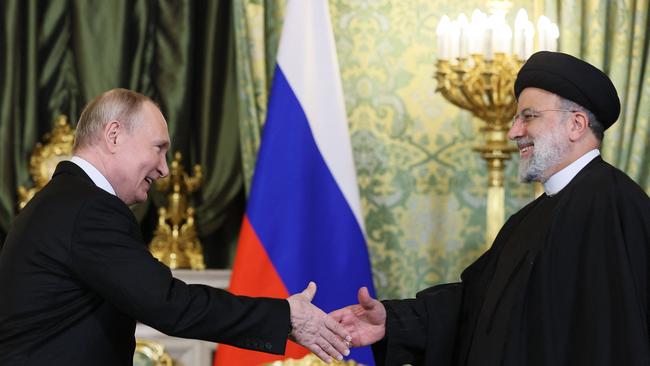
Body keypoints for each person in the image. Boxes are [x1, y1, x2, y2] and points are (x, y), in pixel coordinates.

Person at [330, 51, 650, 366]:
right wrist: (392, 322)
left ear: (576, 125)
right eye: (516, 118)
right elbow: (475, 306)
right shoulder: (531, 217)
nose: (513, 131)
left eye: (529, 116)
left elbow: (616, 340)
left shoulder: (617, 208)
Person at [0, 88, 351, 365]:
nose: (165, 169)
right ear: (114, 135)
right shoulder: (89, 208)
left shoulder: (61, 201)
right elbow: (169, 304)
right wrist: (285, 316)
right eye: (158, 149)